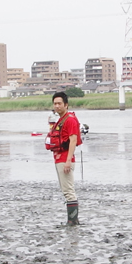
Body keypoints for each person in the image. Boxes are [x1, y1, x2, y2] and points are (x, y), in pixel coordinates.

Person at [46, 91, 82, 226]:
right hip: (59, 158)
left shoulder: (70, 120)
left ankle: (73, 221)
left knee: (68, 190)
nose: (57, 106)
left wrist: (68, 161)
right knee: (65, 189)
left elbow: (73, 141)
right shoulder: (60, 120)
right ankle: (71, 220)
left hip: (65, 159)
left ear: (66, 105)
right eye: (55, 104)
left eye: (59, 103)